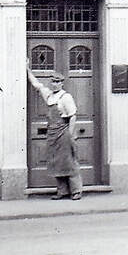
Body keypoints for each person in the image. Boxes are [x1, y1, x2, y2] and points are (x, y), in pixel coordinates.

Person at [26, 62, 82, 200]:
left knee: (69, 161)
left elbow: (73, 116)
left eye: (58, 82)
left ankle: (76, 191)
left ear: (62, 83)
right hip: (52, 133)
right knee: (56, 162)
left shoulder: (66, 97)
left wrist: (70, 133)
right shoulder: (49, 96)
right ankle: (62, 191)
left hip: (64, 131)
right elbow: (37, 85)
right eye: (53, 82)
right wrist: (27, 69)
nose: (55, 84)